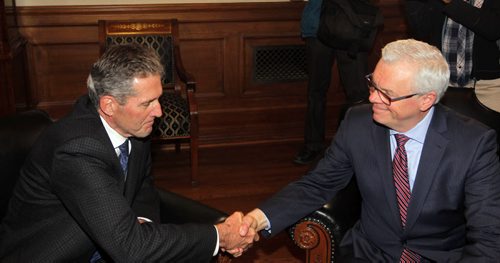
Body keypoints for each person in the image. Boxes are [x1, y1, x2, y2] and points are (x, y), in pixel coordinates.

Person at [241, 39, 500, 261]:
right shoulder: (357, 123)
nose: (373, 98)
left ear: (426, 99)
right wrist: (255, 220)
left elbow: (488, 234)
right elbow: (317, 185)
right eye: (373, 85)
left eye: (386, 93)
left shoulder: (474, 143)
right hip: (369, 254)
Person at [0, 44, 254, 262]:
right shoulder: (76, 150)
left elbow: (142, 187)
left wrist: (143, 222)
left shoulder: (135, 127)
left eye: (158, 99)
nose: (159, 112)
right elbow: (130, 249)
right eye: (147, 103)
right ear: (109, 105)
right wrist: (219, 235)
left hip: (109, 244)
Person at [293, 0, 370, 165]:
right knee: (316, 91)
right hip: (317, 28)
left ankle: (353, 146)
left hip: (352, 26)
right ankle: (313, 145)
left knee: (358, 95)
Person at [404, 0, 500, 113]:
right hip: (438, 82)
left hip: (489, 87)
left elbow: (493, 28)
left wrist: (452, 2)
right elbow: (421, 31)